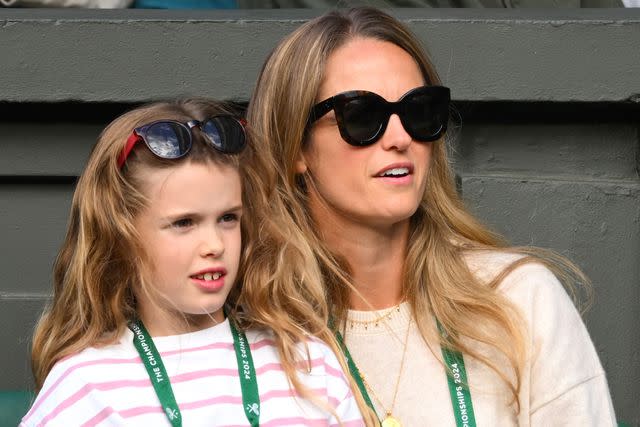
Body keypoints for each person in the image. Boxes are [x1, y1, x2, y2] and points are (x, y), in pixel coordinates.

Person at [243, 7, 617, 426]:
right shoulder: (256, 335)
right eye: (362, 116)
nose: (401, 138)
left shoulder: (518, 300)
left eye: (419, 111)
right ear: (296, 145)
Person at [21, 98, 369, 426]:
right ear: (122, 236)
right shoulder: (85, 385)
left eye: (228, 218)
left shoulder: (307, 362)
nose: (214, 245)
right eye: (184, 223)